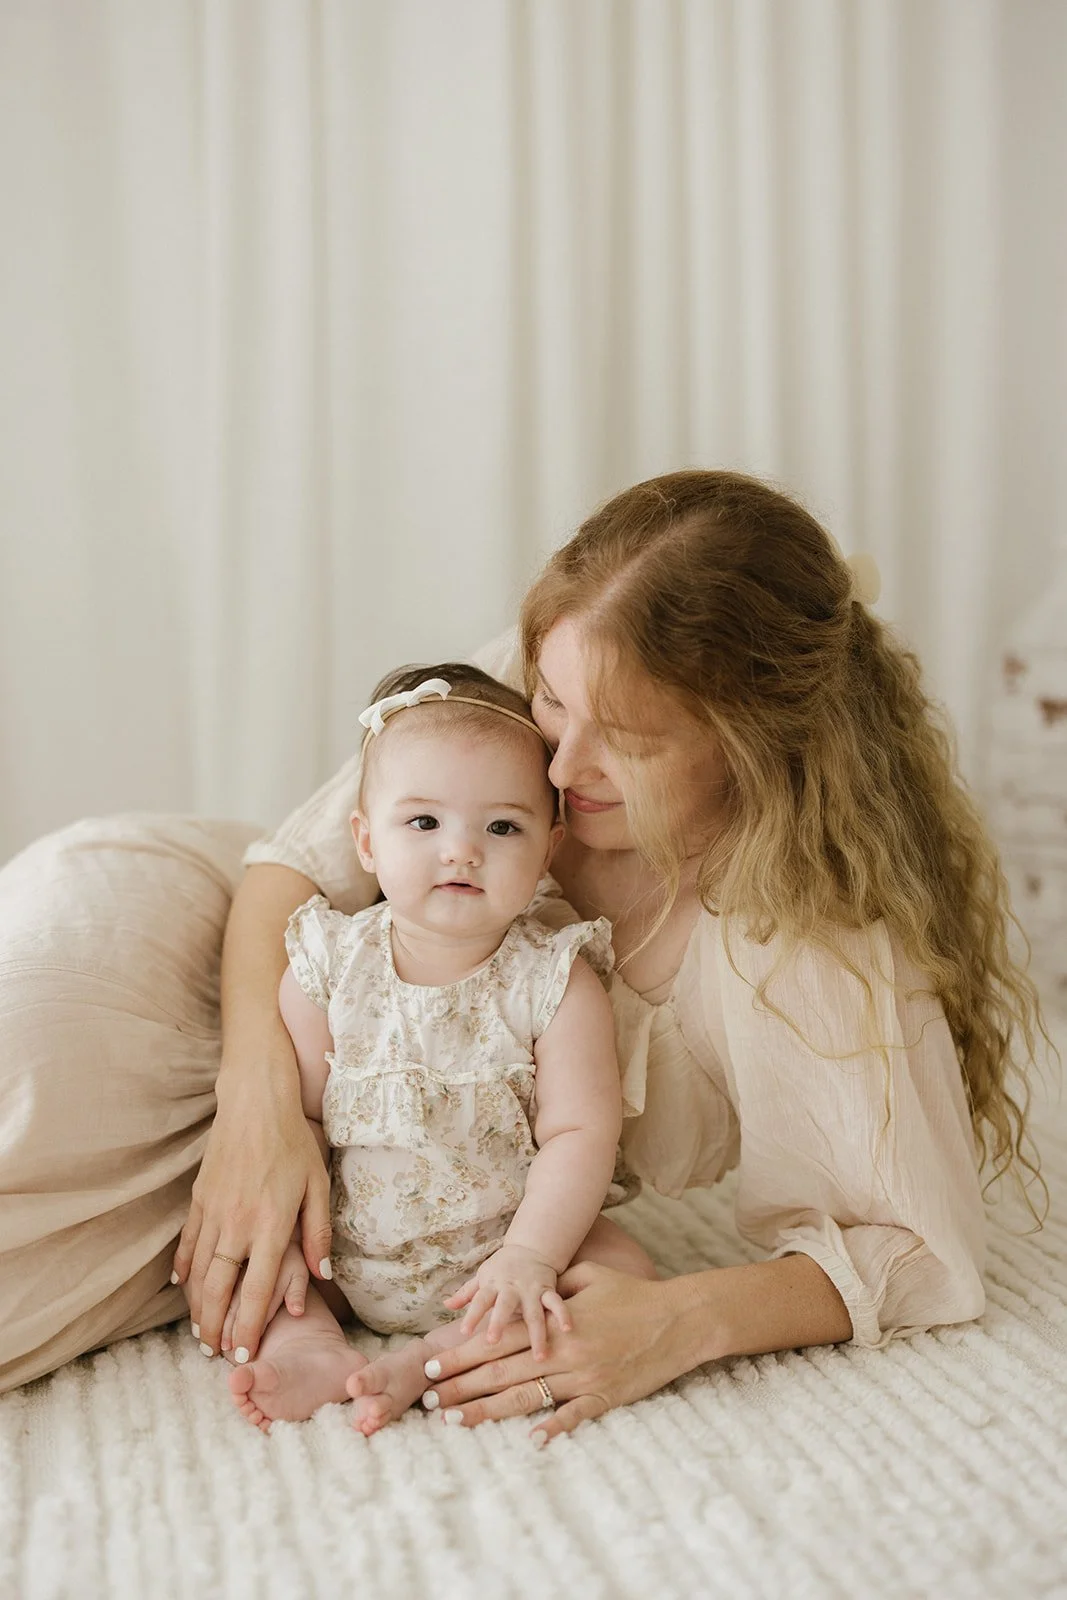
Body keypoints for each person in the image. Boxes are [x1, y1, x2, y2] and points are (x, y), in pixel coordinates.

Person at [0, 470, 1044, 1435]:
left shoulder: (804, 944)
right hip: (207, 988)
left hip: (371, 1182)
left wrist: (680, 1319)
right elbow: (285, 873)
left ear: (751, 741)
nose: (559, 762)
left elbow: (916, 1251)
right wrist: (258, 1104)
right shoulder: (572, 669)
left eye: (628, 741)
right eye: (551, 699)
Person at [215, 663, 653, 1434]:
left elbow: (581, 1133)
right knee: (270, 1272)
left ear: (548, 849)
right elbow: (303, 1127)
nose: (461, 852)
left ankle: (432, 1359)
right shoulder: (327, 968)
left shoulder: (554, 982)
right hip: (349, 1254)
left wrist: (531, 1257)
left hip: (501, 1254)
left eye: (501, 827)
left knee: (622, 1270)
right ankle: (315, 1344)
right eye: (423, 824)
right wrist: (290, 1238)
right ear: (365, 841)